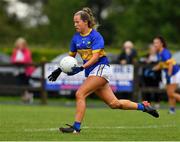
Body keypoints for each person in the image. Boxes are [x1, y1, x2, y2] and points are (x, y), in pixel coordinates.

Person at [48, 7, 159, 134]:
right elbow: (70, 57)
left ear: (85, 22)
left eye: (77, 22)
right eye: (74, 22)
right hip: (92, 72)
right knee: (114, 104)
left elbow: (95, 58)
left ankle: (76, 128)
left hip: (101, 69)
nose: (75, 24)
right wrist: (59, 69)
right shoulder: (75, 38)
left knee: (80, 94)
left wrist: (81, 68)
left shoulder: (96, 36)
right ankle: (143, 106)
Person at [152, 36, 180, 114]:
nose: (155, 44)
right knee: (170, 93)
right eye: (154, 43)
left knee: (171, 93)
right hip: (170, 74)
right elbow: (162, 64)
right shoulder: (159, 53)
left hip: (174, 74)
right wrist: (154, 68)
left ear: (162, 44)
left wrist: (169, 75)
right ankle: (172, 110)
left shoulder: (165, 52)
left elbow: (170, 63)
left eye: (156, 43)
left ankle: (172, 110)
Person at [11, 37, 35, 103]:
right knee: (20, 85)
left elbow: (26, 60)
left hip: (27, 71)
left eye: (21, 44)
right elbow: (12, 59)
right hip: (19, 71)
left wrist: (18, 61)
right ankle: (24, 98)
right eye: (18, 44)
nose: (19, 45)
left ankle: (28, 98)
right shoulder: (15, 51)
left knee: (26, 84)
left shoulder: (27, 51)